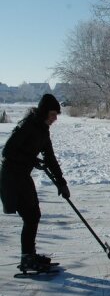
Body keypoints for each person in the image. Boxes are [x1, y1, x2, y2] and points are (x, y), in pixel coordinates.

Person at [0, 94, 70, 271]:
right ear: (45, 112)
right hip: (12, 177)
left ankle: (29, 255)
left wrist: (61, 182)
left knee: (33, 215)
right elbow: (7, 151)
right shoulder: (28, 125)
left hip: (22, 176)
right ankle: (27, 258)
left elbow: (50, 157)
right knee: (31, 216)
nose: (55, 118)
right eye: (53, 114)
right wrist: (32, 160)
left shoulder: (42, 129)